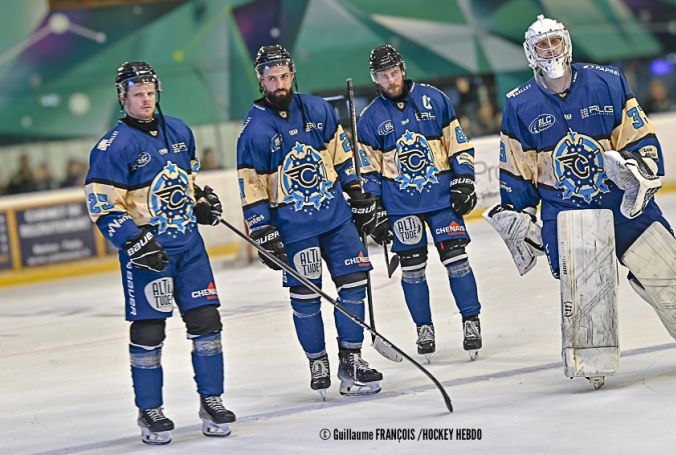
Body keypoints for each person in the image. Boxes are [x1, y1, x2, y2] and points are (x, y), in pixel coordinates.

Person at [489, 15, 676, 387]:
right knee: (587, 292)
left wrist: (638, 168)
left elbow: (639, 136)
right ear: (530, 53)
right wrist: (519, 213)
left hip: (622, 202)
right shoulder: (519, 104)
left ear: (567, 43)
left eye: (555, 41)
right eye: (542, 45)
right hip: (568, 213)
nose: (550, 50)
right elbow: (515, 167)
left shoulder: (607, 81)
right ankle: (592, 362)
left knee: (664, 267)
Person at [83, 62, 235, 445]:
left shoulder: (180, 131)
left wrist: (201, 202)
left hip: (190, 249)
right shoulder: (112, 147)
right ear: (123, 98)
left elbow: (187, 183)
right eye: (137, 94)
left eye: (150, 92)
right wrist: (133, 241)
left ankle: (212, 401)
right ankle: (149, 410)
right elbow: (102, 206)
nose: (146, 99)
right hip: (148, 254)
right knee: (150, 330)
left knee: (207, 322)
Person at [237, 45, 383, 399]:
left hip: (336, 219)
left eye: (284, 76)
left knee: (354, 284)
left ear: (292, 74)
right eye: (271, 78)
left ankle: (351, 359)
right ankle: (317, 360)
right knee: (306, 296)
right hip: (294, 230)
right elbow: (251, 185)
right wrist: (261, 228)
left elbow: (342, 156)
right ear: (261, 81)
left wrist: (357, 193)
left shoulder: (318, 109)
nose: (279, 84)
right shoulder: (254, 130)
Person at [356, 44, 483, 362]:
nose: (390, 80)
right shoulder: (369, 118)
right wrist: (374, 209)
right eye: (383, 76)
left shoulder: (434, 99)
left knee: (457, 261)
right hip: (401, 207)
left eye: (394, 72)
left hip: (441, 201)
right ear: (375, 78)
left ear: (403, 69)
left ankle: (471, 320)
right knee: (412, 270)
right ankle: (423, 328)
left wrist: (464, 179)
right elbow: (369, 171)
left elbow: (458, 145)